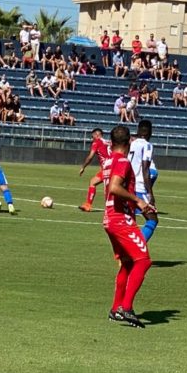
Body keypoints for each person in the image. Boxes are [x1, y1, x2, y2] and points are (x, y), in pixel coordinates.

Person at [102, 125, 154, 328]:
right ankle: (126, 307)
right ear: (129, 141)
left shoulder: (108, 161)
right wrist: (138, 201)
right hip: (120, 219)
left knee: (127, 263)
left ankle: (116, 309)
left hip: (110, 218)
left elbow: (105, 183)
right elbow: (115, 187)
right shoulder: (123, 161)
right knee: (143, 261)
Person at [129, 120, 159, 242]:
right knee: (152, 219)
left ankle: (125, 253)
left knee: (129, 221)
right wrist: (150, 193)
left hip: (129, 186)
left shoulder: (131, 144)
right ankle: (134, 249)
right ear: (149, 132)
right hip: (140, 187)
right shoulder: (147, 145)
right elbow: (145, 168)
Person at [78, 128, 112, 212]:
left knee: (107, 188)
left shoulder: (96, 142)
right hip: (114, 165)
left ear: (96, 135)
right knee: (94, 182)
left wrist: (83, 167)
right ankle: (88, 205)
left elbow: (90, 156)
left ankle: (89, 205)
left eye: (92, 136)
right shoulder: (108, 142)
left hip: (107, 168)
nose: (92, 138)